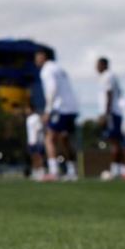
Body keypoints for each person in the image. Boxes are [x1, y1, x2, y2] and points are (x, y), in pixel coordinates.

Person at [36, 47, 79, 181]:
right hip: (72, 107)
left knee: (49, 138)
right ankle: (72, 171)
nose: (36, 60)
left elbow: (52, 88)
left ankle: (53, 171)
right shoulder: (59, 68)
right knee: (65, 140)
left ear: (43, 56)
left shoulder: (47, 70)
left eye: (37, 56)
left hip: (59, 108)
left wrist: (48, 110)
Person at [96, 57, 125, 180]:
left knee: (114, 141)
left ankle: (115, 169)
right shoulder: (110, 76)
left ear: (104, 65)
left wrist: (106, 114)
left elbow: (109, 94)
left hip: (112, 113)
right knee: (116, 141)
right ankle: (120, 168)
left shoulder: (107, 76)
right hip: (114, 112)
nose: (96, 67)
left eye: (98, 65)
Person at [25, 105, 46, 181]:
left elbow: (39, 128)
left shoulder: (36, 117)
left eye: (27, 109)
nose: (26, 111)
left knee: (39, 157)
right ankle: (35, 172)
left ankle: (41, 172)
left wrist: (37, 140)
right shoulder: (28, 118)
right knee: (33, 157)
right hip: (30, 141)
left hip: (37, 141)